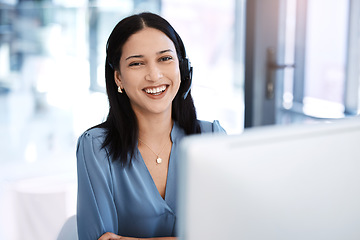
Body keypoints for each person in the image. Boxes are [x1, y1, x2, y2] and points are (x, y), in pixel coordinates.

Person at [76, 12, 226, 240]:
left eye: (165, 58)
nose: (154, 75)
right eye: (137, 63)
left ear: (182, 67)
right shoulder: (97, 148)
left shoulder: (212, 138)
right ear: (118, 78)